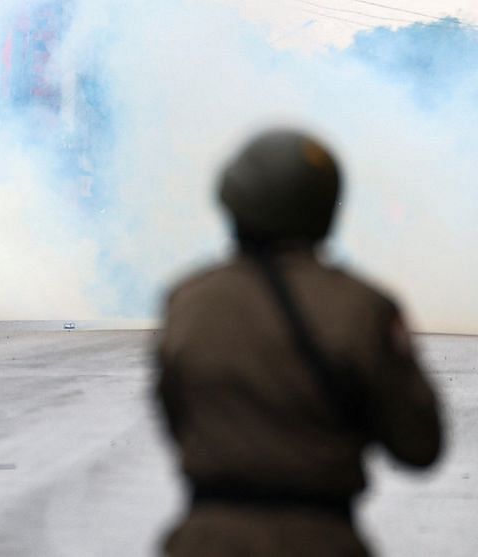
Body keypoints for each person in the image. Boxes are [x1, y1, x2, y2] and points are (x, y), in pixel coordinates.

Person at [155, 130, 442, 556]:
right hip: (321, 539)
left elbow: (175, 414)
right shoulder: (361, 307)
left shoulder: (188, 301)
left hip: (205, 540)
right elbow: (419, 444)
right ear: (325, 208)